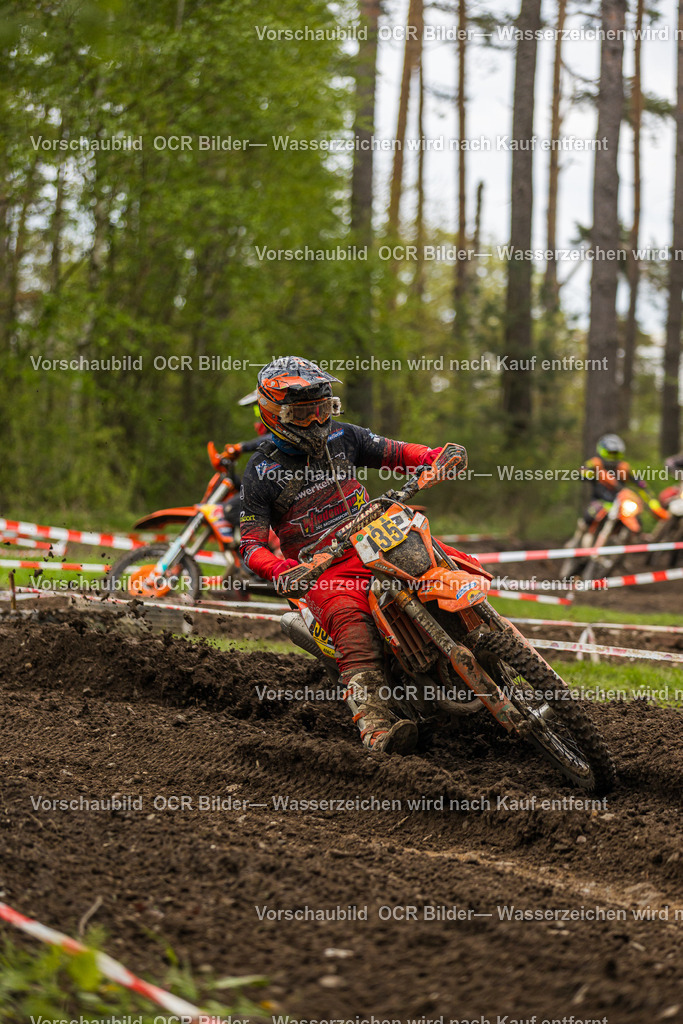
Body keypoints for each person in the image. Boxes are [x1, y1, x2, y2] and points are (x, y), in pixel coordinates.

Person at [239, 355, 480, 756]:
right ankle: (377, 727)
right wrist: (282, 569)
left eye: (322, 409)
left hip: (377, 535)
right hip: (323, 567)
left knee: (444, 558)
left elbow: (397, 452)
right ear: (273, 414)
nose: (316, 422)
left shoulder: (344, 437)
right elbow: (250, 544)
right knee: (353, 626)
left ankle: (494, 646)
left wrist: (435, 456)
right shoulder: (262, 470)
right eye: (302, 414)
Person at [580, 433, 665, 525]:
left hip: (620, 505)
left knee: (637, 520)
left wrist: (653, 504)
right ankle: (582, 533)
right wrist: (594, 475)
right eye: (610, 453)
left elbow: (641, 485)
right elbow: (581, 472)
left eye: (615, 454)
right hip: (600, 502)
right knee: (590, 515)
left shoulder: (624, 467)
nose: (613, 456)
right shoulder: (595, 463)